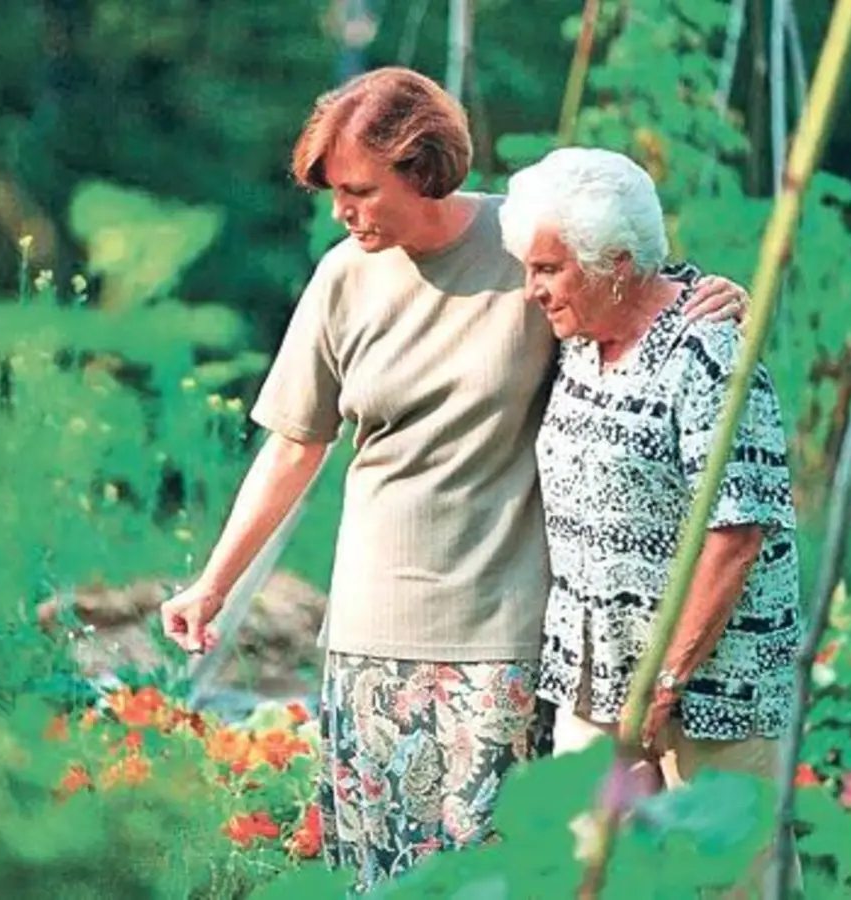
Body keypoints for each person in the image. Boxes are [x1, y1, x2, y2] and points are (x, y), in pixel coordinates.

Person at [157, 68, 750, 891]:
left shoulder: (524, 246)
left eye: (360, 189)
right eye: (334, 191)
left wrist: (713, 292)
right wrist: (212, 585)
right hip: (367, 635)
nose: (342, 210)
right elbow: (294, 445)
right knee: (379, 877)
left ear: (423, 166)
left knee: (494, 876)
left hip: (500, 638)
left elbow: (632, 286)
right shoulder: (342, 277)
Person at [497, 146, 804, 896]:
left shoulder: (708, 356)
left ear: (617, 265)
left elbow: (737, 536)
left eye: (548, 270)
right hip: (593, 670)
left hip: (714, 681)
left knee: (732, 876)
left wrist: (666, 681)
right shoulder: (581, 342)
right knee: (588, 869)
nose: (531, 290)